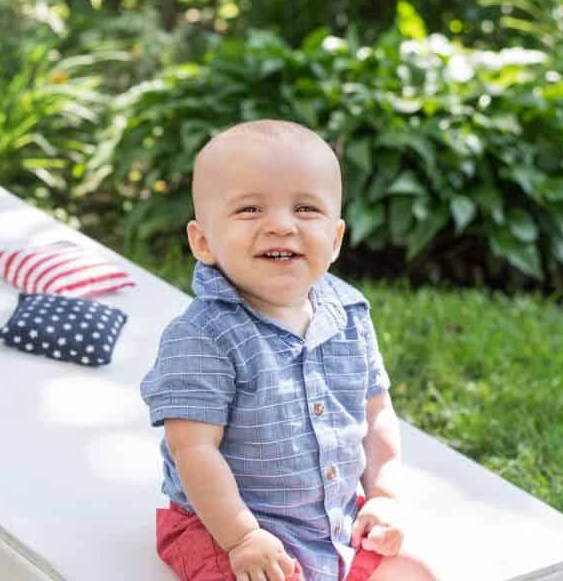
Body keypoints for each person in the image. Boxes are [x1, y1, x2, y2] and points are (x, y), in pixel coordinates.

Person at [140, 120, 437, 581]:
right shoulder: (202, 337)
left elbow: (375, 410)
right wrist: (241, 536)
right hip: (228, 525)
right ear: (203, 242)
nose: (280, 225)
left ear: (335, 239)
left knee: (417, 572)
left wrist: (384, 497)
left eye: (305, 208)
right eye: (250, 209)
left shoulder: (349, 313)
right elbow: (194, 450)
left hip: (332, 518)